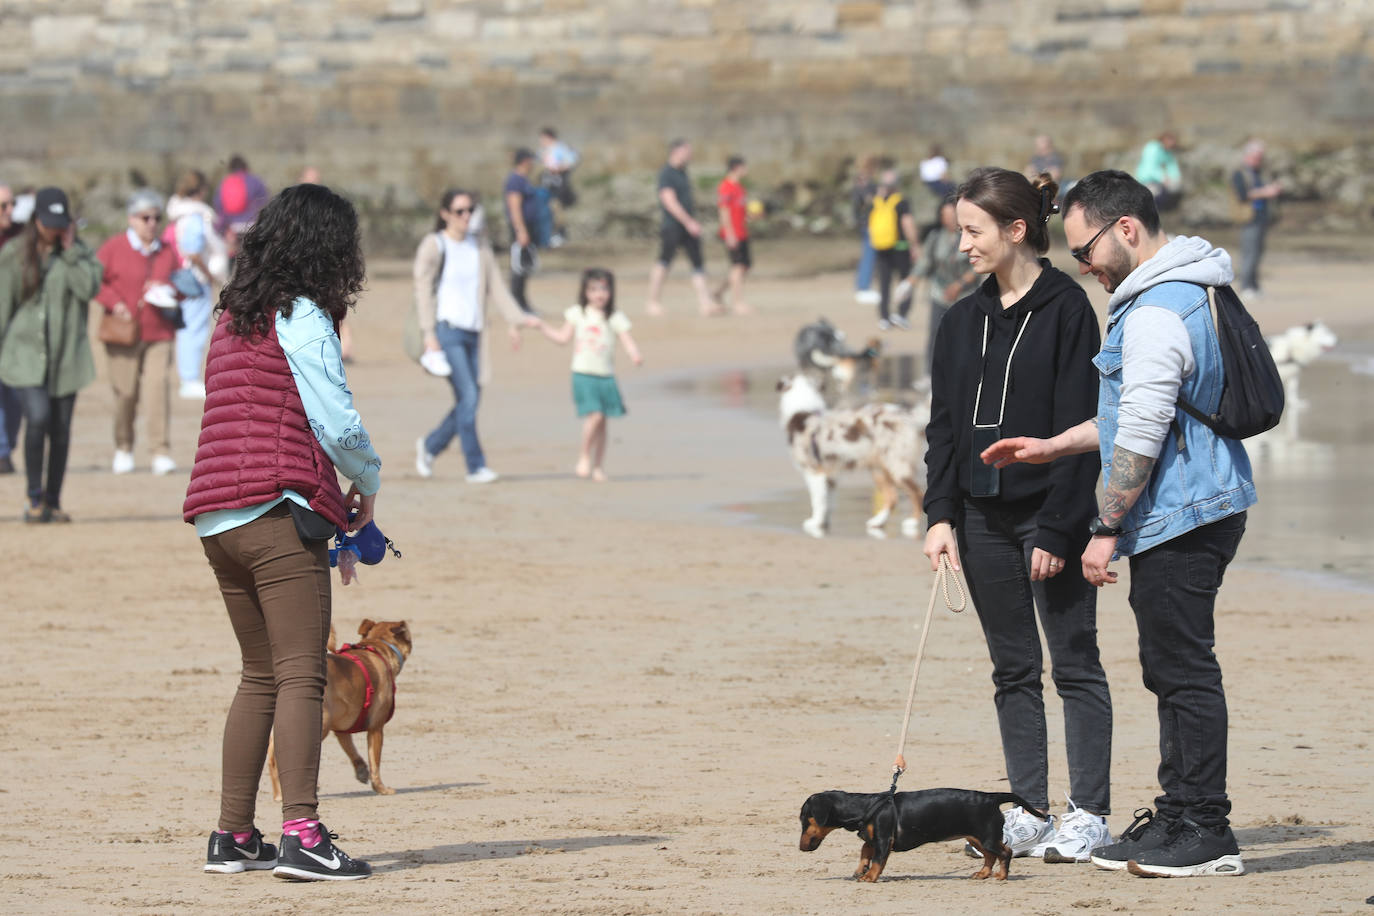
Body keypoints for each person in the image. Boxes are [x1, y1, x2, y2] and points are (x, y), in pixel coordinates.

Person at [984, 169, 1256, 879]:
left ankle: (1205, 826)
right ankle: (1177, 812)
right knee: (1169, 666)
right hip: (1190, 507)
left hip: (1185, 515)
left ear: (1126, 229)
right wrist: (1052, 445)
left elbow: (1141, 430)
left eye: (1086, 251)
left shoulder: (1161, 307)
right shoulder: (1182, 288)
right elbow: (1124, 413)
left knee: (1183, 668)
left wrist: (1104, 527)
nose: (1083, 266)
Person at [183, 183, 378, 881]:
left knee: (259, 674)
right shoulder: (302, 314)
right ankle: (303, 832)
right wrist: (370, 480)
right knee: (302, 674)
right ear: (330, 251)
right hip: (275, 510)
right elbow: (337, 419)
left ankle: (234, 835)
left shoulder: (232, 314)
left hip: (215, 515)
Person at [922, 167, 1112, 864]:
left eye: (973, 232)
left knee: (1075, 665)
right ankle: (1029, 809)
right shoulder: (959, 320)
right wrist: (940, 515)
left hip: (1048, 519)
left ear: (1015, 229)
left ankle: (1088, 812)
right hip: (978, 522)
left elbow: (1083, 429)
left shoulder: (1067, 308)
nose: (964, 245)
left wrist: (1062, 528)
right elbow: (941, 428)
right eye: (960, 233)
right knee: (1011, 669)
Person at [414, 188, 539, 483]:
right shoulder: (435, 245)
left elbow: (496, 286)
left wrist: (518, 318)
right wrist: (429, 335)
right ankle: (476, 466)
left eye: (470, 210)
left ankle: (430, 445)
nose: (466, 216)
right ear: (445, 214)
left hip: (475, 333)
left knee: (469, 398)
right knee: (469, 395)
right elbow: (421, 290)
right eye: (459, 211)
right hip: (448, 331)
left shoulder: (479, 246)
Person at [0, 187, 102, 520]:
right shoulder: (15, 253)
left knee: (60, 428)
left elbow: (88, 289)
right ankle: (33, 498)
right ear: (36, 219)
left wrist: (71, 252)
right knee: (39, 416)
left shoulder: (80, 254)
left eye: (61, 222)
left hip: (66, 358)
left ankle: (53, 501)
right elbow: (3, 305)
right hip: (24, 354)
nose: (55, 229)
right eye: (49, 222)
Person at [95, 189, 182, 476]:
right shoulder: (113, 247)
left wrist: (169, 291)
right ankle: (123, 446)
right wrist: (115, 303)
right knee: (126, 393)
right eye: (145, 217)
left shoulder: (167, 251)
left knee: (157, 390)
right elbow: (95, 282)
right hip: (123, 333)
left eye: (156, 218)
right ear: (131, 219)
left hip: (159, 332)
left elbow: (182, 285)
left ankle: (160, 451)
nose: (151, 223)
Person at [536, 268, 642, 481]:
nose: (599, 294)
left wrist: (635, 353)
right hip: (583, 374)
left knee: (603, 423)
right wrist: (541, 326)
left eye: (603, 289)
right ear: (585, 292)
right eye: (593, 289)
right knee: (595, 415)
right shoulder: (578, 313)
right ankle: (584, 455)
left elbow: (626, 338)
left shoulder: (615, 316)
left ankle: (598, 466)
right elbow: (562, 338)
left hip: (606, 376)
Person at [166, 169, 229, 400]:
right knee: (193, 328)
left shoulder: (178, 214)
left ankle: (188, 377)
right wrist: (209, 274)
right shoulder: (194, 217)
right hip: (194, 278)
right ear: (201, 191)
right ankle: (189, 379)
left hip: (182, 276)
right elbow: (192, 252)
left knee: (188, 327)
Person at [646, 139, 722, 317]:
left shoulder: (683, 172)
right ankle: (652, 302)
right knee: (664, 262)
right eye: (687, 151)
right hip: (673, 226)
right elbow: (669, 200)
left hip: (689, 227)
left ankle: (705, 303)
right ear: (676, 151)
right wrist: (688, 222)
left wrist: (691, 223)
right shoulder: (667, 173)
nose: (690, 155)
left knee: (698, 264)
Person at [911, 196, 979, 374]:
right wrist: (910, 281)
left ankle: (965, 372)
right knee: (936, 333)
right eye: (944, 215)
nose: (948, 219)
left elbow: (978, 266)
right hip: (939, 292)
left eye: (952, 215)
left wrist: (960, 284)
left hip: (965, 294)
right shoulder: (935, 237)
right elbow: (925, 262)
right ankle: (931, 374)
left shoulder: (970, 236)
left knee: (965, 335)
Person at [867, 168, 918, 330]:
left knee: (884, 283)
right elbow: (907, 223)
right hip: (900, 246)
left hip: (882, 248)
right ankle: (901, 314)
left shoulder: (876, 202)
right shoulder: (901, 202)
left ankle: (884, 317)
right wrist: (915, 245)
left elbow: (869, 227)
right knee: (905, 281)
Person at [1231, 139, 1282, 297]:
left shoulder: (1261, 173)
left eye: (1261, 157)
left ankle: (1254, 285)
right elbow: (1242, 195)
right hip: (1248, 218)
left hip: (1262, 216)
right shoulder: (1239, 173)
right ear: (1249, 155)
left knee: (1258, 251)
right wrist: (1266, 192)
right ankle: (1245, 286)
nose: (1259, 160)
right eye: (1257, 156)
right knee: (1249, 252)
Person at [504, 148, 544, 315]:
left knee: (525, 267)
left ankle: (522, 302)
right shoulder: (515, 180)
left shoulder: (525, 180)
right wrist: (521, 230)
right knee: (519, 268)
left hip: (529, 228)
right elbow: (514, 206)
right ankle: (517, 304)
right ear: (525, 161)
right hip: (521, 229)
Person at [0, 181, 23, 474]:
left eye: (12, 204)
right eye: (3, 206)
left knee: (17, 397)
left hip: (19, 330)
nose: (10, 211)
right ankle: (2, 452)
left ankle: (6, 446)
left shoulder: (21, 238)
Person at [713, 156, 753, 315]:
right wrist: (729, 233)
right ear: (737, 167)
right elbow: (723, 211)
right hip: (732, 233)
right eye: (744, 167)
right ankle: (738, 303)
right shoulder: (726, 186)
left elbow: (740, 211)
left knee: (744, 266)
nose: (746, 170)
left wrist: (751, 217)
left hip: (742, 232)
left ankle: (718, 293)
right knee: (737, 267)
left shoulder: (740, 188)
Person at [214, 154, 270, 256]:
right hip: (252, 227)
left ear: (230, 168)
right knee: (253, 259)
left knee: (235, 261)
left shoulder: (225, 182)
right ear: (246, 167)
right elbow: (264, 204)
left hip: (233, 229)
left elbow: (219, 207)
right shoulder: (256, 181)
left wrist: (224, 229)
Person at [850, 155, 882, 305]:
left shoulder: (862, 184)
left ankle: (863, 285)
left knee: (869, 254)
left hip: (867, 224)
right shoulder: (864, 185)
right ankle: (863, 287)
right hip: (868, 224)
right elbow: (863, 205)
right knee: (869, 255)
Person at [538, 127, 578, 246]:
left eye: (543, 138)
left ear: (549, 137)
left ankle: (560, 234)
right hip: (547, 184)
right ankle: (550, 234)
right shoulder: (543, 150)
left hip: (558, 184)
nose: (541, 141)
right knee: (547, 209)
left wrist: (558, 169)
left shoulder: (560, 149)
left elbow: (572, 160)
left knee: (556, 208)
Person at [1135, 131, 1183, 212]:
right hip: (1146, 180)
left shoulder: (1168, 152)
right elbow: (1149, 168)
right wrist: (1162, 178)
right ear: (1164, 139)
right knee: (1153, 193)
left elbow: (1172, 167)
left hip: (1159, 182)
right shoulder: (1152, 148)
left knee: (1174, 187)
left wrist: (1175, 178)